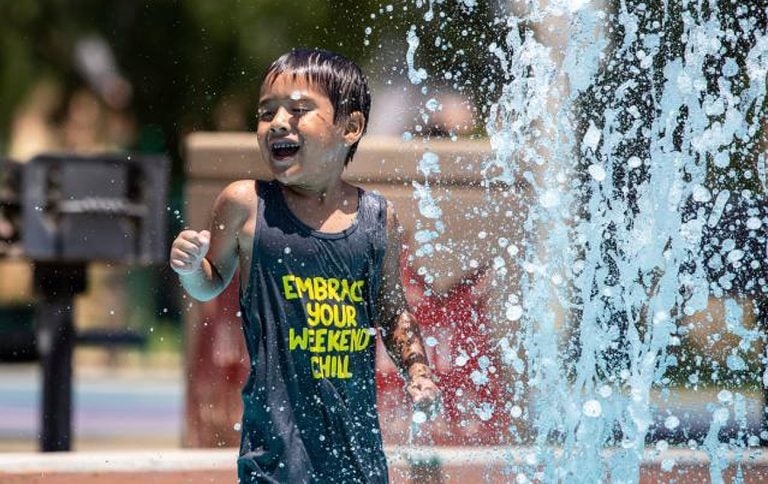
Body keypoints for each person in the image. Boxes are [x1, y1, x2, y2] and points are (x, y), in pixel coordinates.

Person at [170, 48, 440, 483]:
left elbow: (391, 311)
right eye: (266, 112)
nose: (277, 122)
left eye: (298, 110)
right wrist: (189, 270)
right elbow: (211, 283)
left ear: (350, 127)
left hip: (357, 453)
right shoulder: (247, 205)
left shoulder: (376, 219)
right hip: (274, 453)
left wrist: (418, 371)